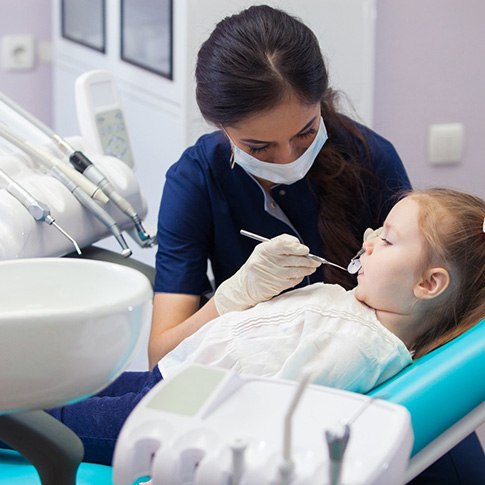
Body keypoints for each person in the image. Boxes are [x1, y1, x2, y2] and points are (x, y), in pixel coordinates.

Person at [45, 188, 485, 471]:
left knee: (47, 422)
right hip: (174, 383)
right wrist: (247, 292)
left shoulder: (362, 348)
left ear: (428, 284)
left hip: (178, 419)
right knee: (57, 387)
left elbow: (271, 414)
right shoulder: (356, 304)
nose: (367, 239)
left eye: (386, 240)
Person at [149, 4, 412, 368]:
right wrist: (232, 298)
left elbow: (427, 301)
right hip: (256, 379)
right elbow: (160, 357)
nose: (288, 158)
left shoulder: (371, 158)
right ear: (219, 126)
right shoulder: (195, 180)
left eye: (305, 133)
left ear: (320, 101)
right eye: (258, 147)